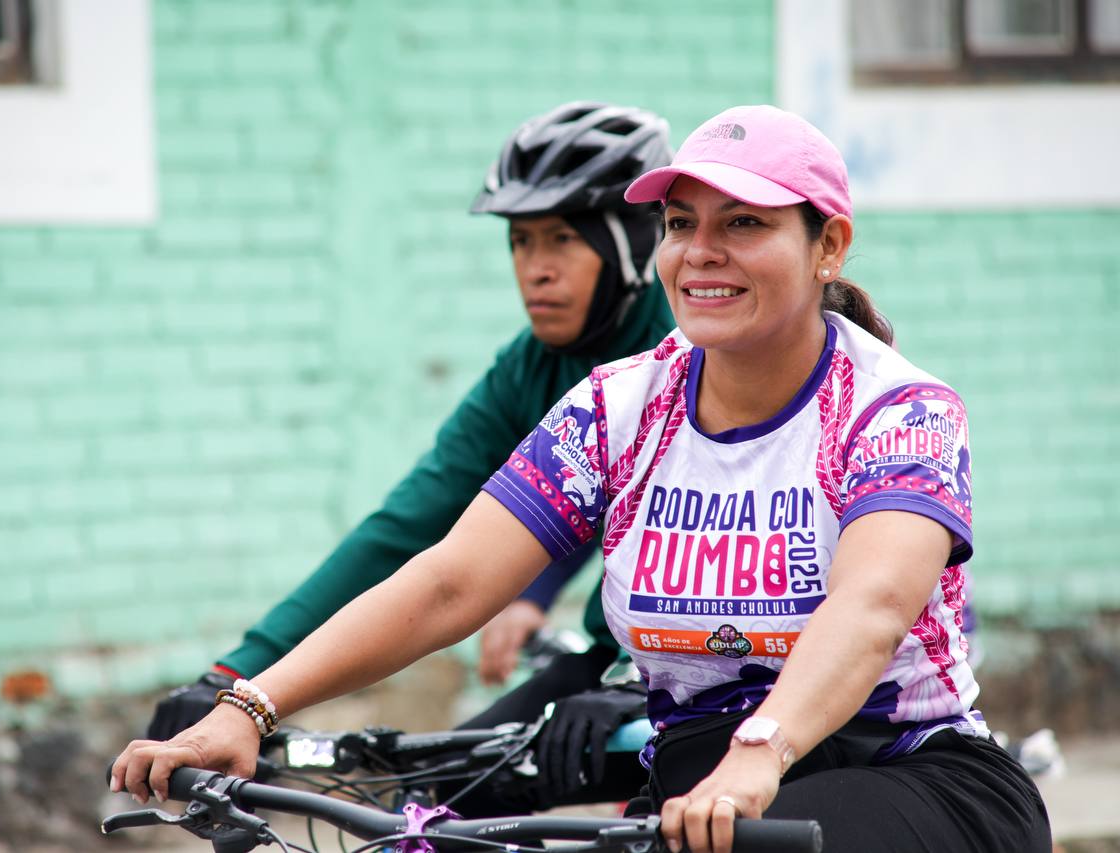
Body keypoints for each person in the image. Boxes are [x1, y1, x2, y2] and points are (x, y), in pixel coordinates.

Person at [113, 105, 1052, 852]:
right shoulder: (621, 405)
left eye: (745, 224)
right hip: (699, 799)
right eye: (682, 224)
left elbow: (875, 603)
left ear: (827, 245)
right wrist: (248, 704)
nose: (702, 251)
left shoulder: (897, 409)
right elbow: (449, 578)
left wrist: (760, 752)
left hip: (902, 777)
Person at [144, 101, 671, 800]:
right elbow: (409, 526)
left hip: (714, 679)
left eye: (562, 240)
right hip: (612, 666)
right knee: (436, 805)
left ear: (631, 246)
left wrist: (628, 673)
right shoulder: (527, 369)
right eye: (520, 241)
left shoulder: (687, 355)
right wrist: (235, 677)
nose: (535, 270)